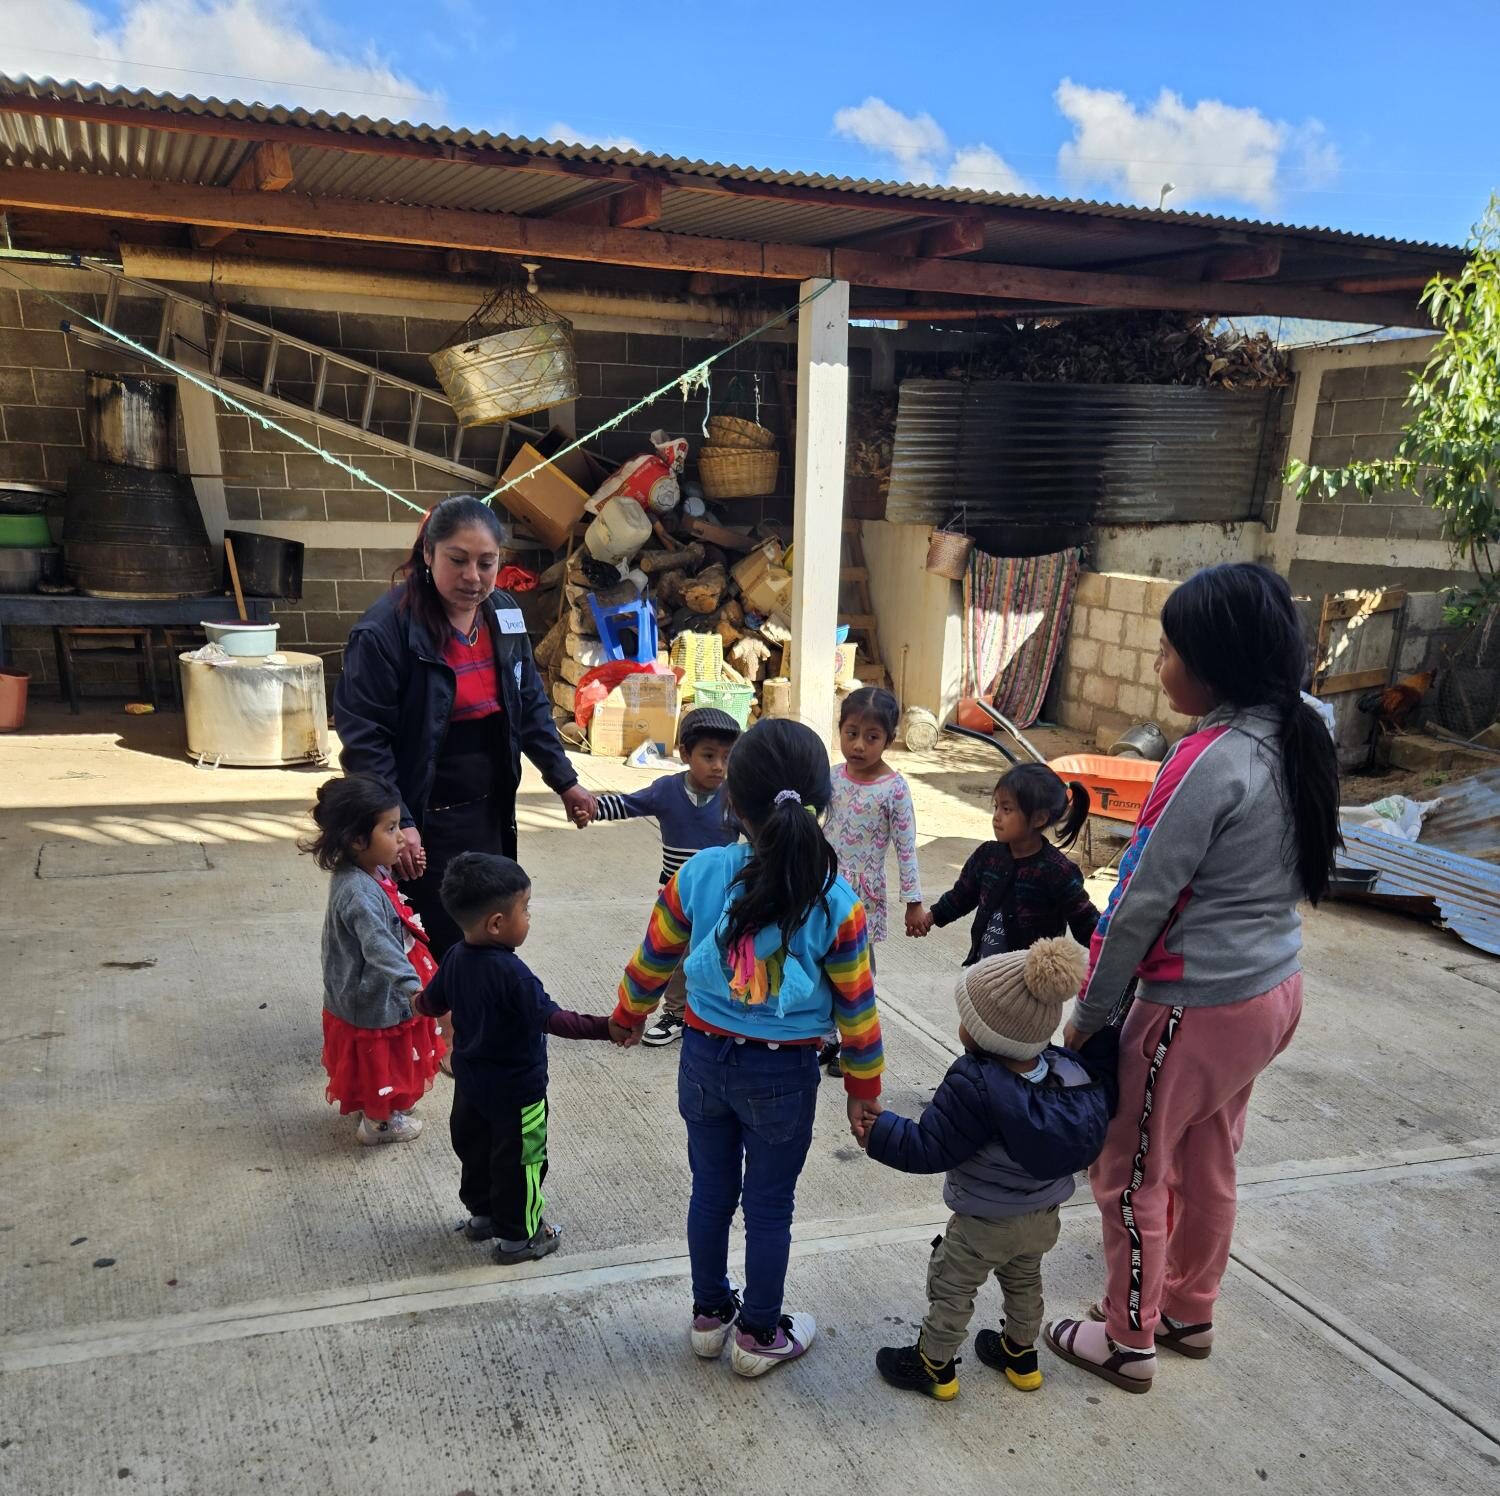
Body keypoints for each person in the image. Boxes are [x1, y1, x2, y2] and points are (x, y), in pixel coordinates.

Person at [1047, 562, 1339, 1394]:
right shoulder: (1304, 727)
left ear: (1218, 663)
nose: (1158, 665)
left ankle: (1126, 1338)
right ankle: (1188, 1307)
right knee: (1209, 1155)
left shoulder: (1206, 758)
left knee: (1128, 1172)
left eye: (1169, 650)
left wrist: (1092, 1014)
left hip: (1193, 1008)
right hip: (1271, 994)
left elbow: (1139, 900)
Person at [612, 718, 885, 1377]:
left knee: (710, 1190)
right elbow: (859, 1011)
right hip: (783, 1076)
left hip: (704, 1061)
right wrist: (864, 1092)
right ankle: (758, 1333)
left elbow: (653, 957)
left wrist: (629, 1014)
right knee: (769, 1207)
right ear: (823, 806)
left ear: (733, 800)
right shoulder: (837, 902)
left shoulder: (700, 873)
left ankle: (710, 1316)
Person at [334, 495, 597, 961]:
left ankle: (481, 1016)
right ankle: (439, 1030)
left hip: (490, 813)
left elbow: (530, 706)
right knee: (435, 934)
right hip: (424, 813)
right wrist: (401, 824)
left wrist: (566, 781)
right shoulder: (384, 631)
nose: (472, 577)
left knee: (490, 924)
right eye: (457, 560)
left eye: (486, 562)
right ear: (429, 554)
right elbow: (364, 739)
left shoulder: (505, 615)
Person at [860, 938, 1116, 1401]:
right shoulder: (1067, 1074)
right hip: (1043, 1217)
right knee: (1025, 1281)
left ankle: (933, 1363)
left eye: (966, 1017)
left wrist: (879, 1132)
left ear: (981, 1034)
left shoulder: (975, 1084)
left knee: (951, 1285)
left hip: (983, 1223)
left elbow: (928, 1148)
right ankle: (1020, 1356)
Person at [415, 852, 620, 1263]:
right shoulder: (514, 975)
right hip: (518, 1093)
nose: (529, 918)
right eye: (525, 910)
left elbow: (431, 1003)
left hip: (471, 1085)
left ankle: (482, 1217)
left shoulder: (455, 955)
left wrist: (413, 1001)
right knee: (523, 1163)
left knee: (475, 1150)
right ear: (496, 923)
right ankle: (519, 1238)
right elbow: (554, 1020)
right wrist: (607, 1027)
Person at [304, 773, 446, 1146]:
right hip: (372, 992)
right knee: (380, 1054)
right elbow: (380, 947)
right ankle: (379, 1121)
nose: (401, 836)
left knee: (394, 1053)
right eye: (391, 828)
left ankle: (389, 1102)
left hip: (381, 986)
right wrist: (415, 990)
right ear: (356, 840)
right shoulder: (357, 893)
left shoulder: (368, 868)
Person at [592, 706, 743, 1047]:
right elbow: (629, 804)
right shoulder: (667, 790)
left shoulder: (734, 796)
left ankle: (720, 1013)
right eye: (708, 755)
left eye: (727, 757)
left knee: (722, 952)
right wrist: (591, 807)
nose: (719, 766)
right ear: (685, 753)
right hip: (676, 895)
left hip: (723, 896)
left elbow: (760, 829)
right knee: (675, 954)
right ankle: (676, 1013)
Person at [820, 686, 923, 1074]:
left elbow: (906, 847)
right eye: (851, 733)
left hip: (862, 897)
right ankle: (826, 1039)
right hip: (824, 889)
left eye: (872, 737)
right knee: (820, 963)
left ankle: (855, 1044)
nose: (859, 745)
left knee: (857, 973)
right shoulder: (831, 778)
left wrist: (913, 901)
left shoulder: (894, 790)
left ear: (889, 740)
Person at [912, 763, 1097, 965]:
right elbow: (962, 896)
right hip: (983, 971)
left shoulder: (1058, 871)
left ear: (1039, 818)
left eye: (1007, 809)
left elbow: (1086, 922)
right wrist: (931, 917)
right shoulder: (987, 856)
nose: (997, 816)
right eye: (996, 806)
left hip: (1030, 981)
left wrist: (1117, 953)